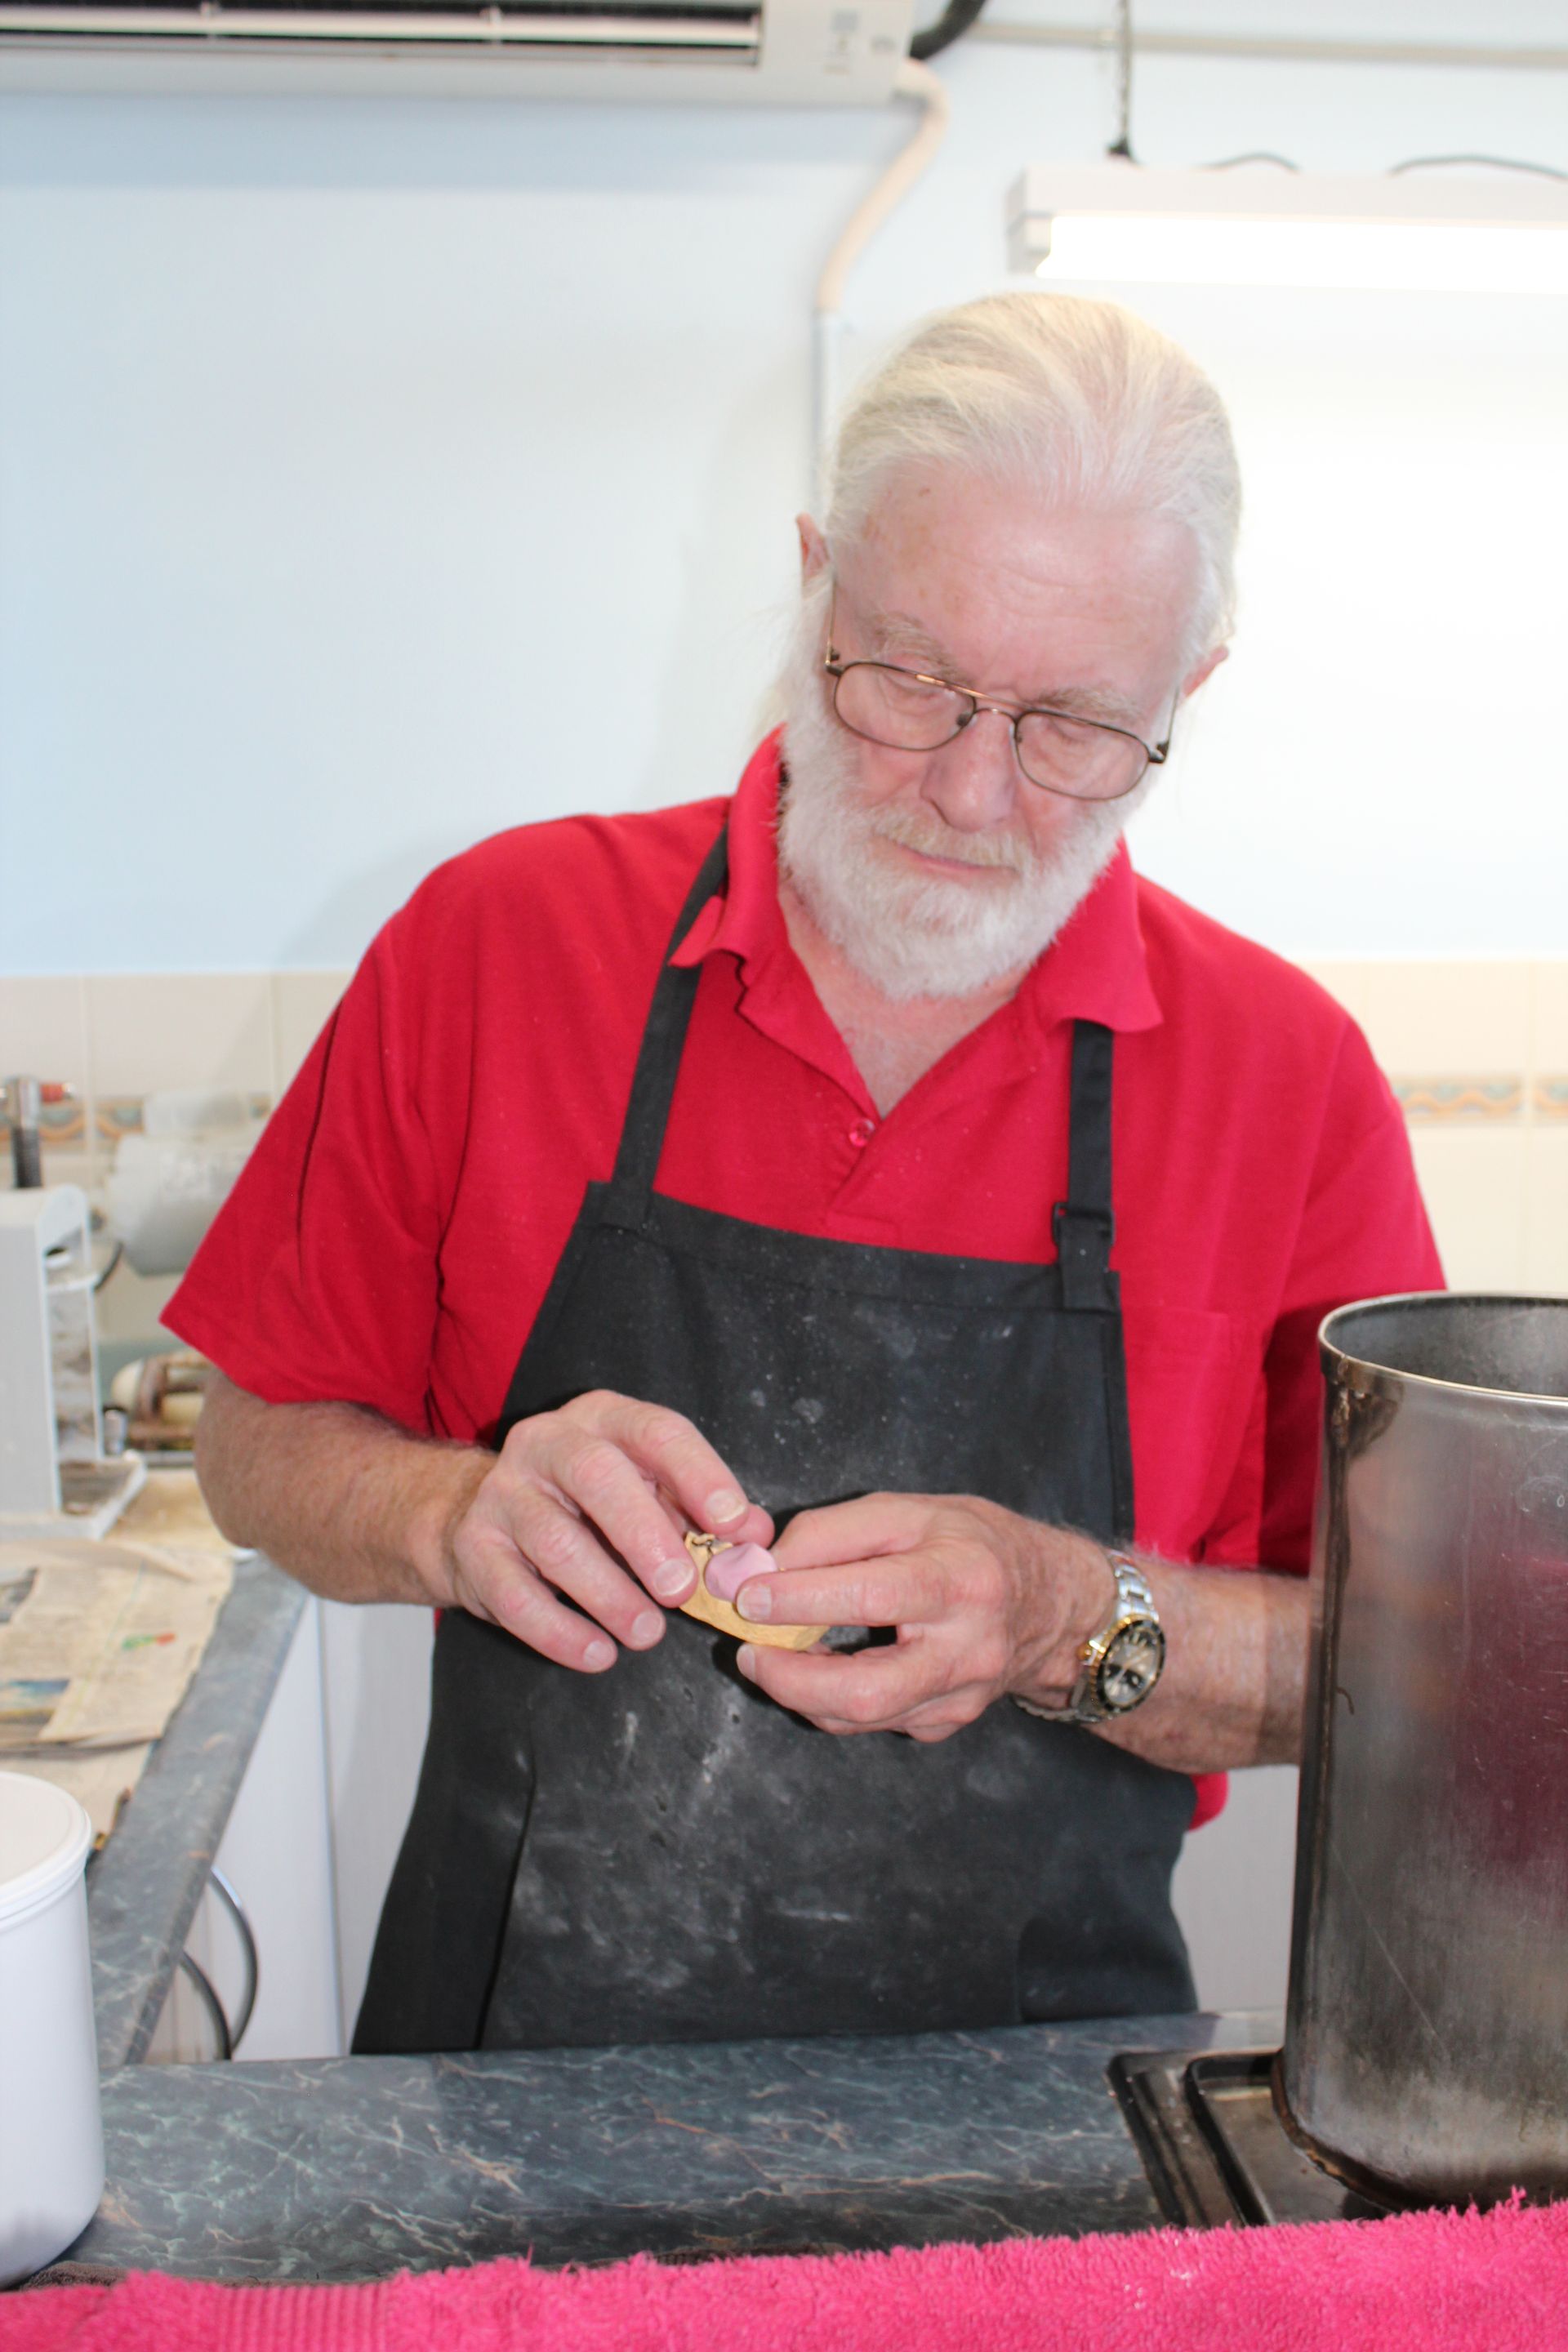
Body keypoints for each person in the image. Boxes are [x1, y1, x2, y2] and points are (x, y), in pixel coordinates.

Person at [171, 292, 1441, 2054]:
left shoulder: (1280, 1077)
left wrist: (1077, 1617)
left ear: (1187, 696)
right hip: (501, 2093)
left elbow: (1395, 1664)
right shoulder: (502, 944)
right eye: (911, 675)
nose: (974, 793)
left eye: (1076, 724)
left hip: (1031, 2124)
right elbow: (253, 1446)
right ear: (809, 580)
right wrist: (449, 1519)